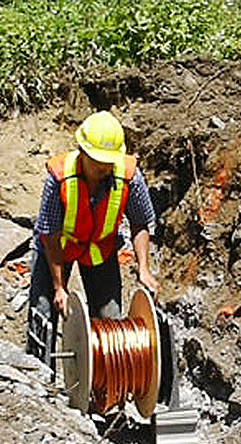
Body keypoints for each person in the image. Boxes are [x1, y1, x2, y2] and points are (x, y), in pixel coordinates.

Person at [26, 111, 159, 361]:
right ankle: (38, 380)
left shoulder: (130, 176)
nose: (104, 167)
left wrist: (144, 268)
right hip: (58, 249)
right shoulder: (60, 176)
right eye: (98, 161)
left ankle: (105, 388)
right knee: (43, 313)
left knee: (111, 326)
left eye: (109, 161)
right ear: (82, 152)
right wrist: (59, 286)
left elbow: (140, 223)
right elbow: (50, 234)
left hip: (100, 250)